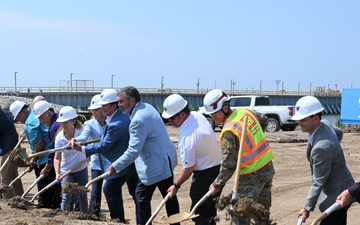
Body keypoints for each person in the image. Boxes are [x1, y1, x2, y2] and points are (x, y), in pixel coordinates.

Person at [106, 86, 180, 225]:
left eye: (121, 101)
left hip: (156, 163)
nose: (119, 105)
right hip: (166, 159)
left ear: (132, 101)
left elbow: (133, 151)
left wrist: (115, 166)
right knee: (169, 195)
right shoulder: (147, 107)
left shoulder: (138, 120)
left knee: (141, 197)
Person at [203, 89, 275, 225]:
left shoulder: (229, 130)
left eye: (215, 113)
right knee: (262, 213)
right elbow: (264, 121)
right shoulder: (246, 112)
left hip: (250, 177)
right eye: (210, 115)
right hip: (267, 169)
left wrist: (217, 184)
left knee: (239, 217)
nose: (213, 118)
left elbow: (229, 165)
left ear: (225, 108)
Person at [72, 89, 138, 223]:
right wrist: (79, 142)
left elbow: (105, 145)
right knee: (135, 194)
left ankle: (118, 220)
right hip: (127, 162)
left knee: (110, 189)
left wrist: (83, 149)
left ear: (115, 105)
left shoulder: (116, 123)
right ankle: (126, 220)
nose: (102, 109)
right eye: (100, 107)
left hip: (123, 162)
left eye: (104, 106)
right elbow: (90, 137)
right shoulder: (119, 116)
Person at [291, 95, 354, 224]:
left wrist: (306, 208)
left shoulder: (322, 147)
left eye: (303, 119)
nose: (299, 123)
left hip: (338, 195)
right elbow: (339, 133)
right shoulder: (325, 124)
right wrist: (334, 150)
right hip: (343, 186)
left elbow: (318, 181)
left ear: (315, 118)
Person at [162, 94, 222, 225]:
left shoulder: (187, 138)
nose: (170, 121)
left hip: (204, 176)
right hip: (217, 170)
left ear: (182, 114)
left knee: (200, 214)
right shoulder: (196, 115)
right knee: (210, 210)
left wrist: (176, 186)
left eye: (171, 118)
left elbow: (189, 168)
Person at [70, 94, 106, 217]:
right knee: (95, 189)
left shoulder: (112, 122)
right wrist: (75, 140)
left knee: (111, 189)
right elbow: (84, 136)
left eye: (97, 110)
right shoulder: (90, 124)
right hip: (96, 161)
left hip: (111, 161)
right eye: (93, 110)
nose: (95, 113)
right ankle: (94, 213)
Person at [9, 100, 49, 207]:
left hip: (45, 157)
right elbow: (26, 128)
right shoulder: (31, 116)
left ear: (24, 112)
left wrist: (33, 162)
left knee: (44, 185)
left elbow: (40, 143)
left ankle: (45, 205)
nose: (18, 119)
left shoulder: (30, 122)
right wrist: (23, 132)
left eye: (18, 116)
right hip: (43, 156)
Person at [54, 106, 88, 213]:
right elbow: (57, 157)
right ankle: (65, 217)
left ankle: (85, 217)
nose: (63, 125)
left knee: (82, 195)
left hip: (81, 168)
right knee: (66, 196)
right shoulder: (59, 137)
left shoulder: (81, 132)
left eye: (66, 122)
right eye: (62, 122)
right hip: (66, 170)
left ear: (73, 121)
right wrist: (57, 173)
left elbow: (88, 147)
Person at [33, 100, 62, 209]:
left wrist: (47, 168)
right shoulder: (59, 116)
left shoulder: (54, 127)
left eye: (41, 118)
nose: (40, 122)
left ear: (48, 114)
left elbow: (53, 151)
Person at [0, 105, 24, 198]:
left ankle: (8, 199)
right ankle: (19, 196)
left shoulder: (2, 117)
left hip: (10, 149)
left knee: (5, 174)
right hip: (13, 147)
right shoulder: (4, 113)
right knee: (13, 174)